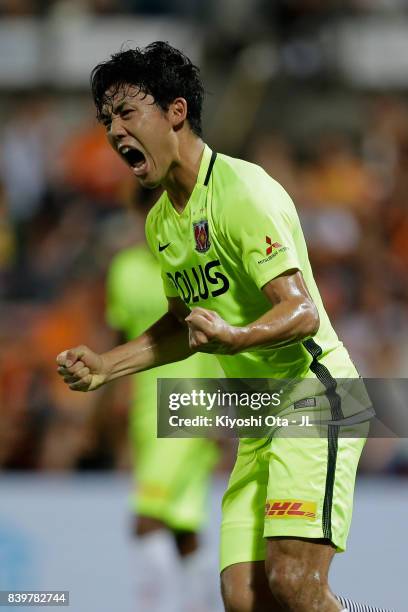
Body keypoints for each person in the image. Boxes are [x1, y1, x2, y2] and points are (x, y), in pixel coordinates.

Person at [56, 42, 391, 612]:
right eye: (106, 120)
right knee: (242, 597)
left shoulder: (244, 191)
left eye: (127, 113)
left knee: (295, 584)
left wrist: (236, 337)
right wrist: (108, 366)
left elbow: (303, 311)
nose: (114, 132)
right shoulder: (163, 222)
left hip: (317, 396)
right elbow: (180, 326)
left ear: (176, 112)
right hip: (260, 418)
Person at [105, 189, 220, 611]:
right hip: (143, 410)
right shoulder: (124, 270)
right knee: (182, 530)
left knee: (144, 520)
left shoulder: (196, 266)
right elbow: (121, 342)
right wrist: (107, 404)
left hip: (190, 406)